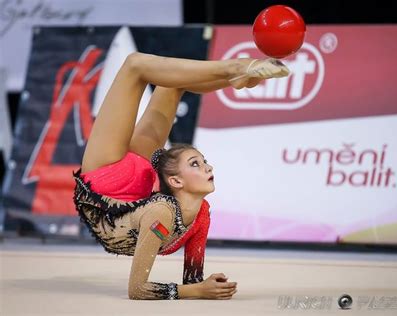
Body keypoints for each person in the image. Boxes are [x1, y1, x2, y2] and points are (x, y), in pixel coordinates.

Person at [72, 52, 290, 300]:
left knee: (135, 65)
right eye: (198, 163)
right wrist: (202, 288)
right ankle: (236, 73)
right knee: (170, 83)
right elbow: (183, 286)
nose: (209, 168)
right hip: (141, 177)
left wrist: (198, 288)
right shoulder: (200, 211)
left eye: (201, 163)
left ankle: (235, 72)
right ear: (175, 180)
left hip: (105, 181)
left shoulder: (169, 213)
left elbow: (156, 288)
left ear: (176, 181)